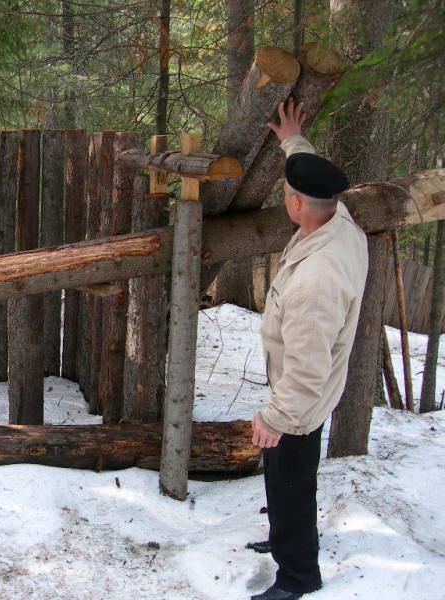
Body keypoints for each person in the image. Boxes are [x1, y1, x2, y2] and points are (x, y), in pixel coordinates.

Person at [248, 98, 369, 600]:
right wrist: (293, 141)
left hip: (301, 400)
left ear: (296, 205)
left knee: (291, 480)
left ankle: (298, 574)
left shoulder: (316, 283)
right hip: (306, 388)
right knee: (284, 478)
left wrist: (275, 418)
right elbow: (316, 179)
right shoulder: (339, 220)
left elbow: (307, 371)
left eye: (287, 193)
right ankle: (281, 536)